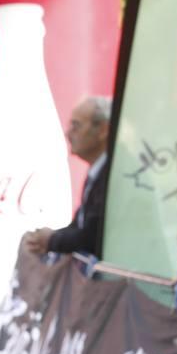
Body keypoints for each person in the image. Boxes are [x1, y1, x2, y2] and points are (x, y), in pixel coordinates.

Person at [25, 96, 112, 258]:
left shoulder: (111, 176)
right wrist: (49, 237)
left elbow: (93, 235)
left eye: (76, 126)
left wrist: (52, 240)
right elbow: (80, 225)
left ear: (103, 131)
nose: (68, 133)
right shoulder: (98, 171)